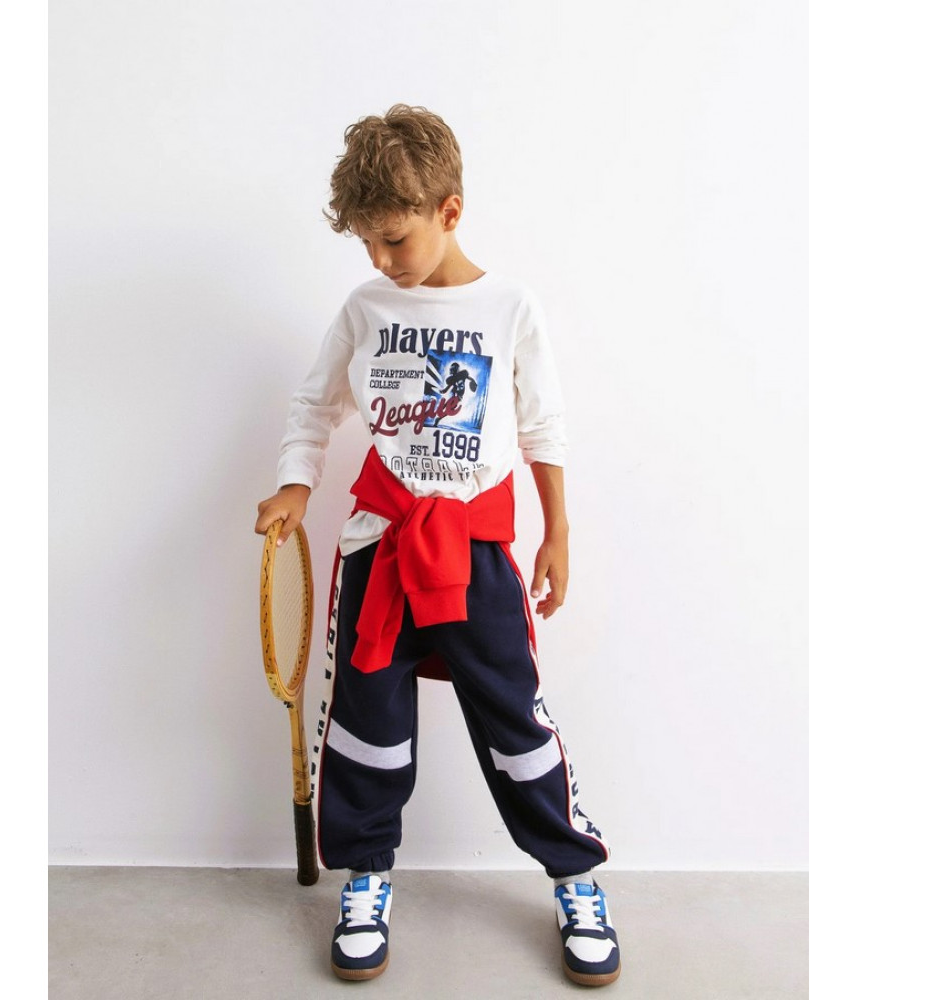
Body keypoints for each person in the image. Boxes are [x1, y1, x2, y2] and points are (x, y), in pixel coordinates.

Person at [255, 105, 620, 987]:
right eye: (367, 245)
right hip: (378, 549)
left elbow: (542, 427)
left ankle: (574, 876)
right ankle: (366, 876)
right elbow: (314, 406)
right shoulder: (365, 308)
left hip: (477, 553)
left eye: (394, 239)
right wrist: (297, 482)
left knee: (515, 722)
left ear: (448, 212)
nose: (381, 261)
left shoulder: (510, 307)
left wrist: (558, 532)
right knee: (367, 723)